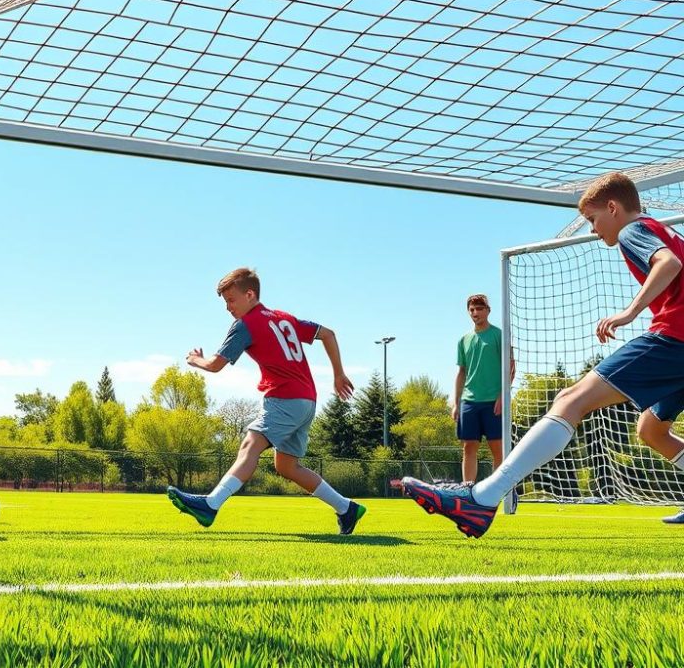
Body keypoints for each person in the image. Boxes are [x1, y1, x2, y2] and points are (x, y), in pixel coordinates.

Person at [404, 172, 684, 537]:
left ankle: (482, 499)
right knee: (651, 429)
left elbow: (669, 265)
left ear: (613, 208)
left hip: (674, 338)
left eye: (593, 219)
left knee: (571, 399)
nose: (593, 230)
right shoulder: (666, 232)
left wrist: (629, 312)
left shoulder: (635, 230)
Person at [166, 267, 365, 535]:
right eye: (225, 303)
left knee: (251, 444)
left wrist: (194, 360)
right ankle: (346, 508)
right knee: (286, 465)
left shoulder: (246, 325)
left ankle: (210, 505)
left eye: (231, 300)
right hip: (307, 400)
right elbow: (328, 333)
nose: (228, 308)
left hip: (284, 399)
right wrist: (338, 374)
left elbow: (215, 365)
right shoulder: (285, 318)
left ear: (250, 295)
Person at [454, 294, 513, 483]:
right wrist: (456, 403)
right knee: (469, 447)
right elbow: (462, 372)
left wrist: (502, 396)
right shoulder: (464, 339)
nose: (475, 313)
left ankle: (497, 490)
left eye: (479, 308)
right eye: (472, 309)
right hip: (469, 401)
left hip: (493, 402)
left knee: (497, 448)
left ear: (488, 310)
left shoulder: (499, 335)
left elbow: (511, 367)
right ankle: (467, 489)